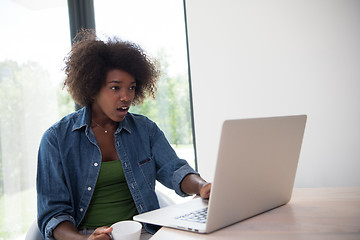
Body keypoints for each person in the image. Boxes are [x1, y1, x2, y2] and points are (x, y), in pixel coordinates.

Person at [36, 29, 211, 240]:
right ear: (92, 88)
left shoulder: (145, 129)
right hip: (85, 235)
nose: (126, 97)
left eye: (131, 88)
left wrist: (203, 187)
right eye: (115, 88)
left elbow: (175, 170)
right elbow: (53, 215)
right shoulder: (56, 139)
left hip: (143, 231)